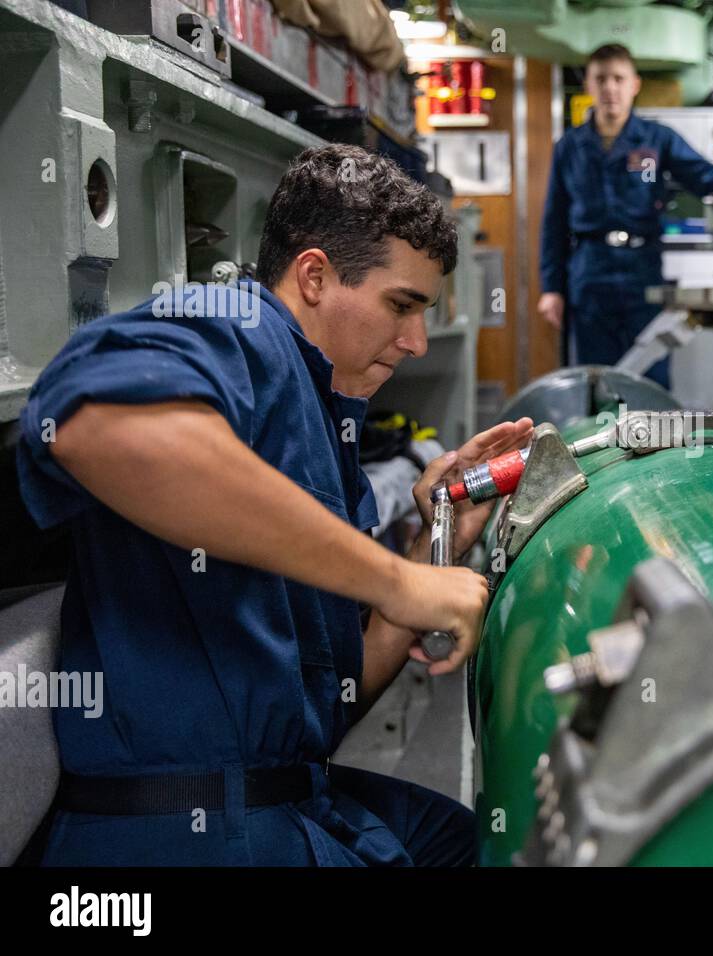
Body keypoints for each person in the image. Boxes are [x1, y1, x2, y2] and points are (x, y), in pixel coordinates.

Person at [18, 144, 533, 865]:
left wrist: (433, 547)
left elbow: (332, 704)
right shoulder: (237, 326)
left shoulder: (322, 409)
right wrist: (398, 581)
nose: (417, 342)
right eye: (401, 306)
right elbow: (95, 425)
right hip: (181, 829)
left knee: (468, 839)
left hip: (286, 794)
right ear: (315, 275)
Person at [538, 43, 713, 390]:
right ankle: (599, 443)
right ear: (588, 85)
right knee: (594, 378)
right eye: (601, 79)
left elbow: (709, 179)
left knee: (650, 374)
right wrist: (551, 289)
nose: (610, 88)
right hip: (588, 272)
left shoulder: (657, 139)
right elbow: (554, 222)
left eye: (618, 78)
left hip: (643, 270)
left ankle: (656, 445)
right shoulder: (569, 147)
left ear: (634, 84)